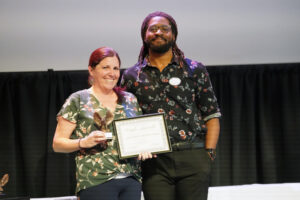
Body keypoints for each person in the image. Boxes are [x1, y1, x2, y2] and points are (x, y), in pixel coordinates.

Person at [121, 11, 221, 200]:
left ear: (173, 35)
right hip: (154, 163)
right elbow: (126, 119)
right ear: (144, 35)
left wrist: (208, 154)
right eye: (153, 29)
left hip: (193, 157)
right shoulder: (131, 75)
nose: (158, 32)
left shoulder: (194, 69)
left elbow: (212, 115)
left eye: (164, 29)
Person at [52, 47, 153, 200]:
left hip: (131, 178)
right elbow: (57, 144)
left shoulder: (129, 99)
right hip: (95, 180)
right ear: (91, 70)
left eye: (116, 68)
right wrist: (83, 142)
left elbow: (138, 136)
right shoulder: (78, 99)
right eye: (105, 67)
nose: (112, 73)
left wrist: (144, 148)